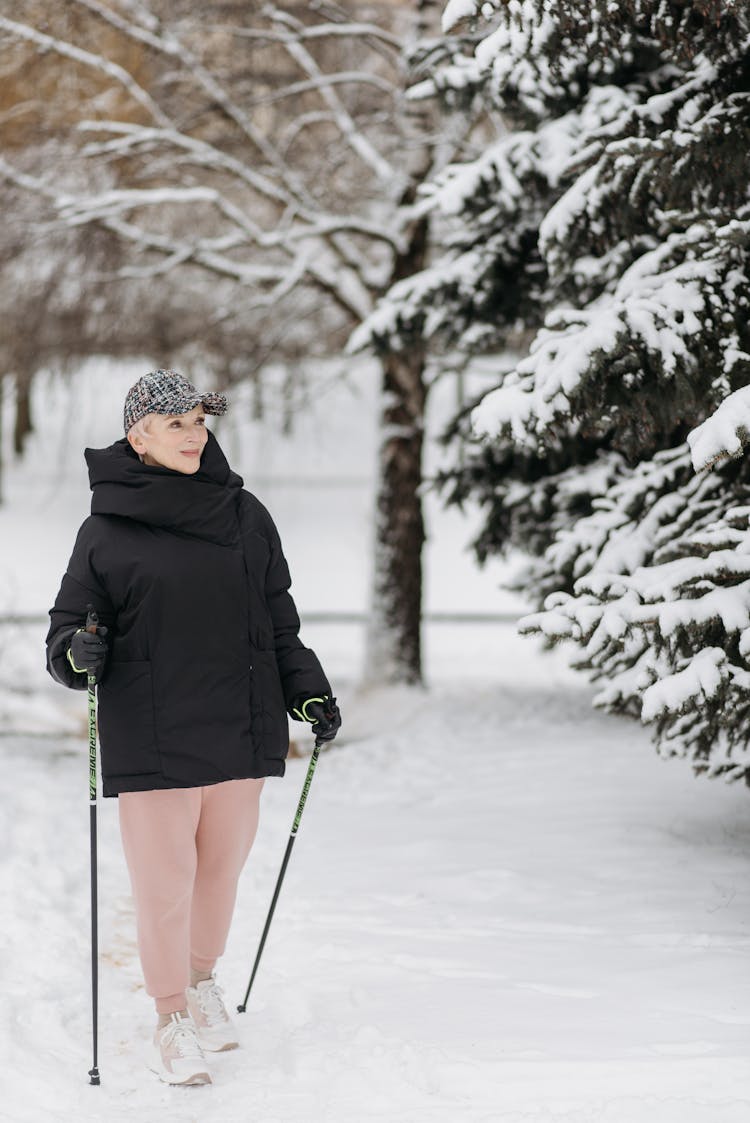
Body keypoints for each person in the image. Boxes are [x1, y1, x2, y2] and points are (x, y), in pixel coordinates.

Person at [45, 368, 341, 1086]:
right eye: (174, 423)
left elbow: (279, 622)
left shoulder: (246, 516)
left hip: (240, 722)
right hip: (152, 729)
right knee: (165, 882)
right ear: (137, 434)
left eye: (199, 421)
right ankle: (170, 1013)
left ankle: (202, 980)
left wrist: (307, 691)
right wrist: (75, 654)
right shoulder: (106, 528)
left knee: (219, 873)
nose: (192, 434)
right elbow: (66, 636)